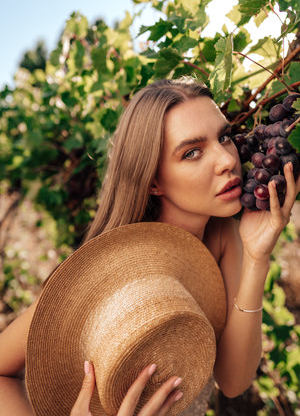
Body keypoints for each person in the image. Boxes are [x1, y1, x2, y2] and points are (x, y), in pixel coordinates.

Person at [0, 76, 299, 415]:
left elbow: (232, 380)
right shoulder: (111, 271)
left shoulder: (223, 236)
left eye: (224, 137)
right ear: (153, 181)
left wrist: (258, 257)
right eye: (192, 152)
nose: (227, 160)